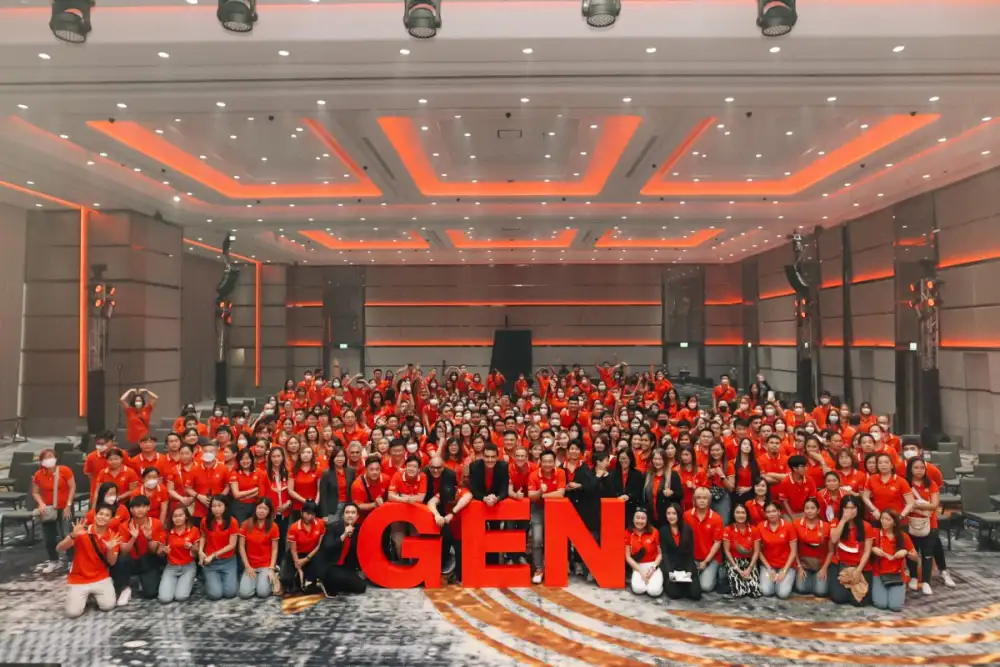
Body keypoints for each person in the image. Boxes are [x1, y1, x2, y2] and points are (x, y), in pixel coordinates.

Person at [59, 507, 122, 618]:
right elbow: (59, 548)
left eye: (107, 515)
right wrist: (72, 536)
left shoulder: (112, 536)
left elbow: (112, 563)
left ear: (111, 519)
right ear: (95, 516)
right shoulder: (81, 531)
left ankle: (93, 594)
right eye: (100, 514)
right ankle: (83, 594)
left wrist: (110, 549)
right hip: (79, 578)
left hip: (100, 577)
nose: (103, 517)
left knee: (108, 606)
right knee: (72, 613)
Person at [31, 448, 75, 571]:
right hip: (49, 509)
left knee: (67, 535)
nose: (48, 459)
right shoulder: (38, 474)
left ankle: (71, 561)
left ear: (56, 458)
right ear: (41, 460)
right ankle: (54, 561)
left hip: (65, 507)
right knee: (49, 537)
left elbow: (72, 487)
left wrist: (69, 505)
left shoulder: (65, 470)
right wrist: (41, 504)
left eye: (51, 456)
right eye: (45, 457)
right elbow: (35, 492)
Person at [116, 495, 166, 603]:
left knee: (151, 593)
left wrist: (149, 538)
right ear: (131, 510)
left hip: (148, 560)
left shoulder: (156, 523)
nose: (140, 510)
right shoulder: (124, 526)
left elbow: (154, 550)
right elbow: (123, 551)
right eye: (137, 507)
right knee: (121, 560)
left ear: (148, 508)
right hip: (132, 561)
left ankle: (145, 579)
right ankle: (125, 588)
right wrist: (133, 538)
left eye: (143, 506)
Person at [527, 449, 566, 584]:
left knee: (553, 540)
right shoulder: (533, 475)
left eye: (550, 461)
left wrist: (543, 495)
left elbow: (561, 493)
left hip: (555, 511)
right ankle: (539, 569)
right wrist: (539, 491)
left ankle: (553, 568)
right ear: (540, 462)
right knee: (537, 539)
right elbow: (531, 496)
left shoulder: (560, 473)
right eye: (545, 462)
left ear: (554, 462)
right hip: (538, 509)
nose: (547, 464)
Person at [905, 456, 942, 595]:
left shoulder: (931, 484)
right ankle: (913, 577)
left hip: (929, 523)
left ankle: (926, 581)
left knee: (927, 553)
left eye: (922, 468)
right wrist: (921, 506)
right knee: (912, 552)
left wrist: (913, 505)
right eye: (916, 467)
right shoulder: (905, 483)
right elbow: (903, 503)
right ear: (910, 469)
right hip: (910, 523)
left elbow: (934, 505)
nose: (919, 470)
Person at [829, 496, 874, 606]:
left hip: (860, 566)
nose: (850, 511)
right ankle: (849, 588)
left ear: (858, 508)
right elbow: (834, 539)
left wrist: (858, 570)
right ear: (842, 509)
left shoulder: (866, 526)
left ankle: (851, 587)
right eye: (846, 508)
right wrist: (843, 520)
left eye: (853, 508)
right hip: (841, 564)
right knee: (839, 597)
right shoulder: (836, 522)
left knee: (861, 602)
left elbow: (867, 551)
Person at [319, 503, 367, 597]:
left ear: (357, 516)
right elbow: (327, 547)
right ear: (343, 515)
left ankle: (336, 585)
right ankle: (327, 583)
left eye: (353, 513)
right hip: (331, 565)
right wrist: (344, 535)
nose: (350, 515)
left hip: (346, 567)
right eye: (347, 512)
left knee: (361, 587)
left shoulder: (358, 530)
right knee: (337, 581)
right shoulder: (333, 527)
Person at [871, 509, 915, 612]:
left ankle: (899, 591)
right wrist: (873, 549)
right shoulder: (875, 532)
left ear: (894, 523)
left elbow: (916, 557)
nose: (884, 521)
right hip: (879, 573)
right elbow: (863, 549)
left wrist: (906, 552)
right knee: (881, 604)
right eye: (882, 518)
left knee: (895, 607)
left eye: (888, 519)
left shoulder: (903, 536)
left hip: (897, 574)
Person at [199, 495, 240, 600]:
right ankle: (210, 579)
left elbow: (232, 545)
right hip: (211, 563)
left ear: (225, 506)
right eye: (213, 506)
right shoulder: (205, 521)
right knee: (215, 595)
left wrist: (214, 555)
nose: (216, 509)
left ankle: (223, 579)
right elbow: (203, 536)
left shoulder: (233, 521)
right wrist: (200, 551)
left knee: (230, 593)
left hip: (228, 561)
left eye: (219, 506)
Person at [239, 498, 280, 599]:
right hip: (251, 565)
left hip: (266, 565)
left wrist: (271, 568)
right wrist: (247, 566)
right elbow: (241, 547)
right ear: (255, 508)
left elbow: (275, 549)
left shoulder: (273, 526)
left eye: (265, 509)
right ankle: (258, 580)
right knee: (244, 594)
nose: (261, 511)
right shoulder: (246, 524)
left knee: (262, 593)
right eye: (259, 508)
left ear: (269, 511)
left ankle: (274, 573)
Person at [282, 500, 327, 593]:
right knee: (287, 583)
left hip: (313, 554)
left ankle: (310, 579)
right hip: (296, 555)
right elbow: (293, 550)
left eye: (313, 514)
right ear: (301, 512)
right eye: (307, 513)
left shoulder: (320, 523)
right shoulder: (294, 527)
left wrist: (306, 559)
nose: (310, 517)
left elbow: (319, 545)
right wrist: (299, 569)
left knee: (308, 588)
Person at [158, 506, 200, 603]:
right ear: (171, 518)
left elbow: (198, 552)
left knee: (180, 597)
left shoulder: (194, 530)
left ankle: (190, 581)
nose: (177, 518)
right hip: (171, 567)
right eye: (175, 516)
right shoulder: (167, 532)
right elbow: (159, 553)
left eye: (180, 515)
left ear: (186, 516)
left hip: (188, 567)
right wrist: (164, 551)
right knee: (164, 599)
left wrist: (191, 547)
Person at [686, 487, 723, 593]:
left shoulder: (716, 518)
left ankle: (716, 573)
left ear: (709, 500)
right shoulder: (687, 515)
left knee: (705, 587)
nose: (701, 500)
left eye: (705, 498)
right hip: (692, 558)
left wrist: (706, 561)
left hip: (711, 559)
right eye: (698, 498)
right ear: (694, 500)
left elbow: (717, 543)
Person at [660, 505, 701, 600]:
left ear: (679, 514)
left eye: (674, 513)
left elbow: (690, 553)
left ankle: (685, 586)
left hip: (685, 565)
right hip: (671, 566)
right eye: (668, 513)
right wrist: (669, 572)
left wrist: (689, 571)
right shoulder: (663, 531)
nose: (671, 516)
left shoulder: (688, 529)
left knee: (696, 595)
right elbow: (664, 554)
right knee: (674, 594)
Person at [758, 502, 797, 599]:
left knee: (782, 594)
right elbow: (758, 551)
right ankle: (773, 581)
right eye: (768, 512)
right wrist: (769, 568)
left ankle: (781, 581)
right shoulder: (760, 526)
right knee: (766, 591)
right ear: (765, 514)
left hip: (786, 565)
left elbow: (793, 552)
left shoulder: (789, 526)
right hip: (768, 565)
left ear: (779, 512)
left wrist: (784, 571)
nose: (771, 514)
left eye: (774, 511)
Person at [794, 497, 832, 597]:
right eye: (807, 508)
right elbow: (794, 550)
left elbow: (831, 551)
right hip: (804, 565)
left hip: (820, 566)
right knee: (801, 589)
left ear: (818, 510)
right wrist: (799, 567)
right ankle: (809, 580)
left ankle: (815, 580)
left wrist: (824, 568)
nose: (809, 511)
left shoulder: (826, 526)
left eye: (812, 508)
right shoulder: (796, 524)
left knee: (821, 592)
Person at [722, 503, 761, 598]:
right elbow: (727, 551)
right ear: (733, 514)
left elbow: (756, 551)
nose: (740, 515)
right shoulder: (728, 529)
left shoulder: (754, 529)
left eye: (743, 512)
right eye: (738, 512)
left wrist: (749, 568)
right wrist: (737, 569)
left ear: (747, 514)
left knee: (754, 592)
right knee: (739, 593)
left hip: (749, 562)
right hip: (733, 561)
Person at [625, 507, 663, 597]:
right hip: (637, 565)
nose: (640, 521)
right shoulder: (628, 532)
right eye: (637, 518)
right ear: (633, 519)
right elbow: (627, 556)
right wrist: (640, 571)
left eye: (643, 518)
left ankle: (657, 583)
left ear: (647, 520)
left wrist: (653, 568)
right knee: (638, 589)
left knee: (654, 591)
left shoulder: (654, 532)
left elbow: (660, 554)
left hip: (652, 565)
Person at [319, 446, 354, 520]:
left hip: (348, 507)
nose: (340, 459)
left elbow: (353, 490)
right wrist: (324, 515)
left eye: (342, 456)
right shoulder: (326, 473)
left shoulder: (351, 471)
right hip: (333, 508)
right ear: (333, 458)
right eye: (337, 456)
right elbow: (323, 496)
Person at [229, 448, 262, 524]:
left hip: (256, 505)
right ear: (238, 461)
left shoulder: (259, 472)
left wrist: (244, 496)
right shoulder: (234, 473)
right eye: (242, 459)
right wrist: (254, 490)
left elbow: (261, 491)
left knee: (254, 528)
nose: (245, 461)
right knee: (241, 528)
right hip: (239, 507)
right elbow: (236, 495)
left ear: (252, 459)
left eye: (247, 458)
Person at [121, 388, 159, 452]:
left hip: (144, 436)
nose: (138, 402)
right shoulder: (129, 410)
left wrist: (146, 391)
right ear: (133, 401)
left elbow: (155, 398)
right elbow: (122, 400)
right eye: (136, 400)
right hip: (133, 437)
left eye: (139, 400)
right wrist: (129, 391)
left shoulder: (147, 410)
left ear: (142, 401)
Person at [613, 449, 644, 527]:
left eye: (625, 458)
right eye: (621, 458)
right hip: (616, 509)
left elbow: (639, 491)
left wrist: (629, 496)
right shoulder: (612, 474)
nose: (623, 461)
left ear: (630, 459)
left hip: (632, 510)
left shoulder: (637, 474)